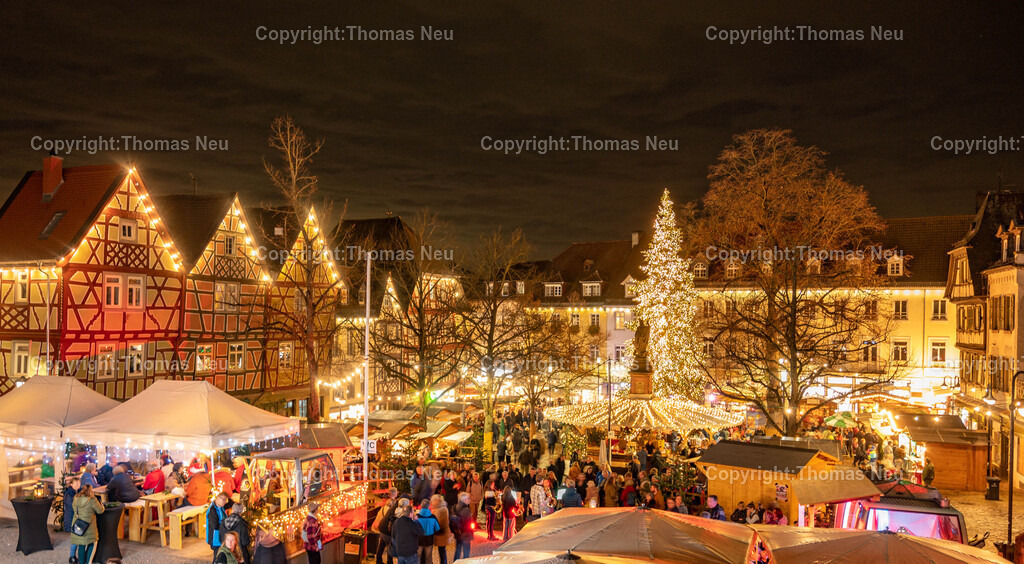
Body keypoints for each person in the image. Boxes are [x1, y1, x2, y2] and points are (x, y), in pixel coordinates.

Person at [70, 484, 105, 564]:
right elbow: (100, 511)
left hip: (77, 526)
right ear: (90, 491)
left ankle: (82, 562)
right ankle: (89, 562)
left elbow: (74, 509)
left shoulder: (76, 498)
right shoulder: (92, 500)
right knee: (93, 543)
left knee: (81, 545)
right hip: (89, 527)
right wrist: (102, 506)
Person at [375, 490, 400, 564]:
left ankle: (378, 560)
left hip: (381, 528)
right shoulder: (389, 511)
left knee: (381, 545)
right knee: (390, 546)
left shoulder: (384, 508)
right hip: (386, 530)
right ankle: (389, 562)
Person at [415, 499, 440, 564]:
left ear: (421, 506)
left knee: (417, 557)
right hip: (429, 539)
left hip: (419, 539)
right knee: (428, 557)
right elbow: (437, 528)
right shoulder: (433, 517)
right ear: (429, 506)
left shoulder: (416, 517)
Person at [63, 476, 81, 563]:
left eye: (79, 483)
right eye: (76, 483)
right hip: (71, 519)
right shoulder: (69, 495)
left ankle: (73, 556)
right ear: (71, 484)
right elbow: (72, 507)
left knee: (77, 538)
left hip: (76, 518)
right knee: (75, 538)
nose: (78, 485)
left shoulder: (78, 492)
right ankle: (72, 557)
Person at [207, 493, 230, 557]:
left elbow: (231, 503)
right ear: (218, 499)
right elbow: (215, 526)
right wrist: (226, 526)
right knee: (217, 556)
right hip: (215, 537)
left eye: (226, 500)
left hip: (221, 535)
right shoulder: (213, 510)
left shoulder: (221, 507)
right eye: (224, 500)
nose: (225, 502)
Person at [429, 494, 451, 564]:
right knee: (441, 550)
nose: (432, 503)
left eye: (433, 501)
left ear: (437, 501)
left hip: (442, 534)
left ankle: (444, 563)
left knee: (442, 551)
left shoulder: (442, 509)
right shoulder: (437, 508)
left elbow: (441, 522)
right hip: (439, 533)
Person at [452, 492, 473, 561]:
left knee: (458, 550)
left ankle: (455, 562)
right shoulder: (466, 510)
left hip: (458, 532)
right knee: (466, 553)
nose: (470, 500)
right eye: (468, 498)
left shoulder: (454, 507)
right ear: (464, 500)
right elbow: (468, 523)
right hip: (465, 534)